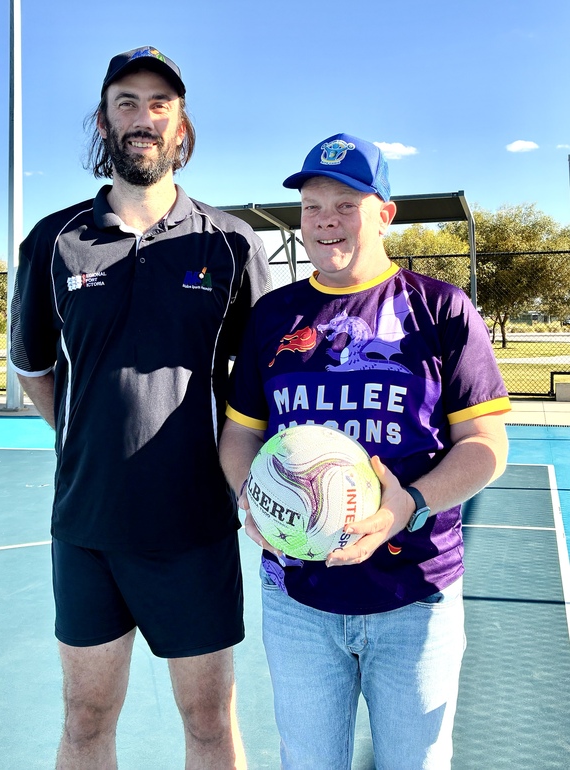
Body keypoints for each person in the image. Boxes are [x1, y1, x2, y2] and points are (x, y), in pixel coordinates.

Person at [9, 46, 270, 770]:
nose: (143, 117)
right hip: (87, 527)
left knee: (209, 723)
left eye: (160, 104)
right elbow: (34, 366)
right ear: (104, 121)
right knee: (86, 718)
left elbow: (257, 387)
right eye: (127, 102)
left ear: (181, 127)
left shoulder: (230, 243)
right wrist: (87, 435)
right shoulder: (53, 241)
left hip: (193, 528)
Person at [219, 133, 510, 770]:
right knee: (308, 761)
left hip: (416, 594)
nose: (325, 219)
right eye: (313, 204)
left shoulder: (440, 309)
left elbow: (487, 445)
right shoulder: (273, 316)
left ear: (384, 214)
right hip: (298, 597)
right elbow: (241, 432)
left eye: (346, 203)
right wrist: (252, 494)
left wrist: (411, 501)